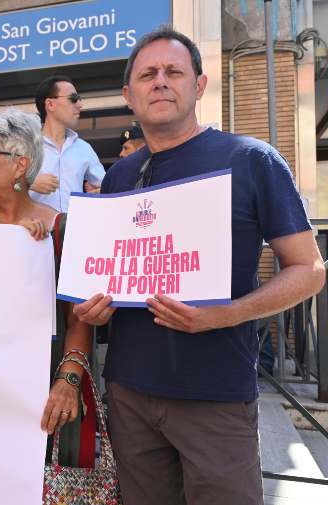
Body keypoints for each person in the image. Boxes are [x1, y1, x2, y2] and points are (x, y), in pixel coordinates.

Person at [73, 27, 326, 505]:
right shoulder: (118, 177)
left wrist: (225, 313)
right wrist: (97, 308)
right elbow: (109, 275)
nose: (160, 82)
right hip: (129, 391)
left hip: (214, 394)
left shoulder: (251, 160)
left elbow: (309, 270)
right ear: (129, 95)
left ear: (200, 85)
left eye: (174, 72)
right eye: (148, 75)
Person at [0, 108, 94, 465]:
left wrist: (68, 382)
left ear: (19, 165)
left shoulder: (62, 228)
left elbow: (79, 318)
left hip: (40, 393)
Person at [29, 75, 105, 208]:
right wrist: (28, 183)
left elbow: (107, 185)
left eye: (79, 99)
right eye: (73, 99)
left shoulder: (84, 148)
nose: (80, 105)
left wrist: (99, 192)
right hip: (35, 227)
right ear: (50, 104)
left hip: (75, 227)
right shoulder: (25, 146)